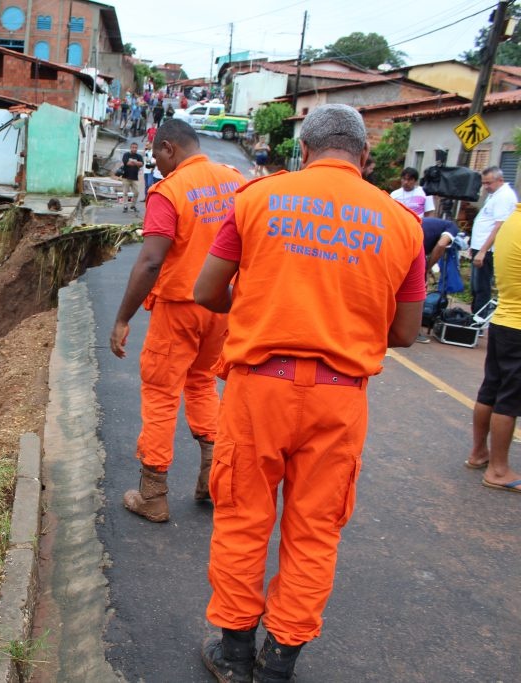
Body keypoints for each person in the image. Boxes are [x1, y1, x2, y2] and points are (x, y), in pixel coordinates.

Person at [193, 104, 425, 682]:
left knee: (244, 519)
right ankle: (280, 664)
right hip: (340, 398)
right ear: (365, 157)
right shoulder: (403, 224)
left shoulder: (256, 199)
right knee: (315, 530)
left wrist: (257, 306)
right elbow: (405, 333)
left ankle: (235, 654)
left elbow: (206, 290)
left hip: (258, 390)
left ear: (302, 150)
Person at [109, 119, 244, 521]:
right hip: (222, 307)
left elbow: (151, 261)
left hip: (179, 309)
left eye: (156, 157)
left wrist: (122, 318)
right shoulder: (237, 182)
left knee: (161, 393)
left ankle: (153, 494)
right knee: (203, 383)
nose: (157, 166)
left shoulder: (169, 192)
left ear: (169, 148)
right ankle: (211, 482)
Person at [467, 202, 521, 492]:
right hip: (518, 326)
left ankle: (479, 453)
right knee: (510, 399)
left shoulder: (512, 219)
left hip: (502, 320)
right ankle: (499, 470)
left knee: (492, 389)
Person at [470, 166, 518, 316]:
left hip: (488, 250)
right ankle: (475, 316)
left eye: (488, 183)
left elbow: (499, 226)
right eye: (483, 183)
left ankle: (479, 318)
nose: (485, 187)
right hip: (480, 247)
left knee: (481, 286)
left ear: (500, 180)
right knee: (475, 286)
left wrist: (483, 251)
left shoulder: (504, 196)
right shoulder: (495, 194)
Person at [120, 142, 143, 214]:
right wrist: (136, 163)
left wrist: (133, 161)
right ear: (130, 148)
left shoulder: (139, 156)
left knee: (136, 193)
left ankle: (133, 206)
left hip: (134, 177)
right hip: (126, 177)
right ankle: (125, 206)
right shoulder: (126, 155)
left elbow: (141, 164)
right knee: (125, 193)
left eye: (136, 148)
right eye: (133, 147)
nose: (134, 149)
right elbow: (127, 163)